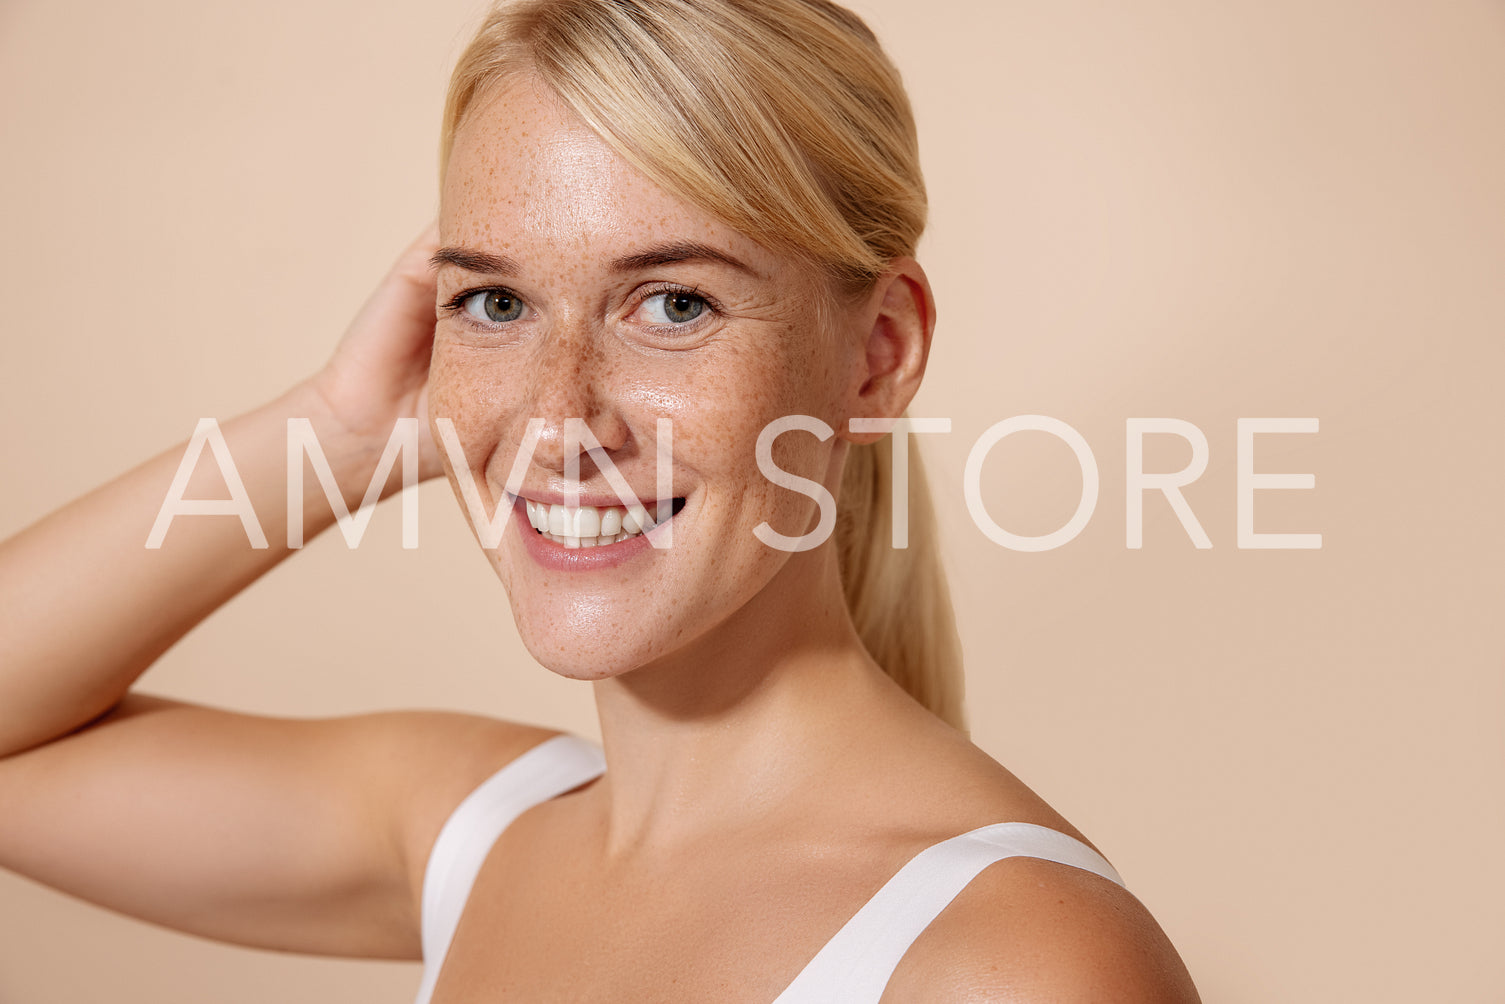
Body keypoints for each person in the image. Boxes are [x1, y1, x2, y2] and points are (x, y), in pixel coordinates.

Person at [0, 0, 1200, 999]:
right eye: (497, 304)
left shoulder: (1012, 963)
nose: (560, 419)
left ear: (876, 353)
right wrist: (344, 428)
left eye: (673, 302)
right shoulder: (476, 833)